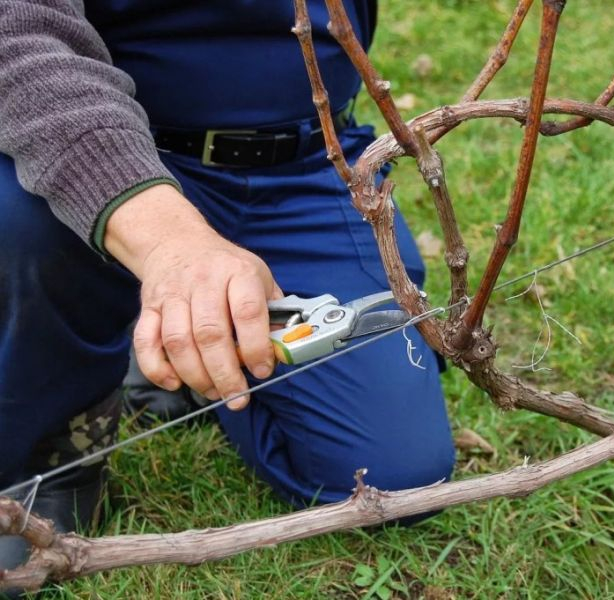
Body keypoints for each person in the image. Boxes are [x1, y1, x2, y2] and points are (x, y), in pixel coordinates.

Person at [0, 0, 455, 581]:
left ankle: (197, 349)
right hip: (113, 148)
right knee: (19, 219)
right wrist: (169, 242)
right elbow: (19, 38)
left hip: (309, 166)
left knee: (398, 477)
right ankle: (58, 449)